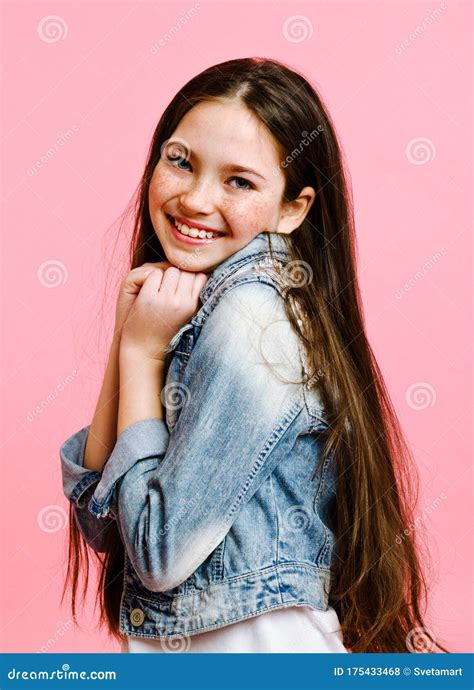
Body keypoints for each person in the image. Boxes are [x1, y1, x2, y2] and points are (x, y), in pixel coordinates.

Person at [60, 57, 447, 653]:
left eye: (239, 181)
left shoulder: (251, 320)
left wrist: (141, 353)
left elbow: (157, 551)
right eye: (180, 161)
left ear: (293, 208)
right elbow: (105, 522)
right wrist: (129, 334)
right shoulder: (203, 302)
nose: (194, 198)